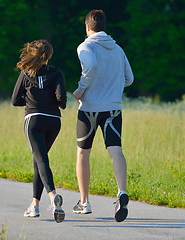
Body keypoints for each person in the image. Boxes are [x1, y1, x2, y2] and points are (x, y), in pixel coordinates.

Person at [72, 10, 134, 222]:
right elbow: (129, 78)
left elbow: (90, 66)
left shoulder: (85, 46)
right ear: (104, 26)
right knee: (115, 150)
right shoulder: (118, 49)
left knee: (83, 153)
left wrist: (81, 89)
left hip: (89, 108)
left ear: (87, 27)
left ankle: (84, 202)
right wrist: (113, 86)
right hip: (113, 109)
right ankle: (121, 192)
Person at [12, 39, 67, 223]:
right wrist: (57, 103)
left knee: (41, 159)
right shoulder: (57, 72)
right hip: (54, 121)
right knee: (39, 160)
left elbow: (14, 100)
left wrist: (29, 102)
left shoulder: (25, 73)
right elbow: (62, 99)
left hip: (34, 120)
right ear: (49, 56)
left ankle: (53, 197)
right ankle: (34, 206)